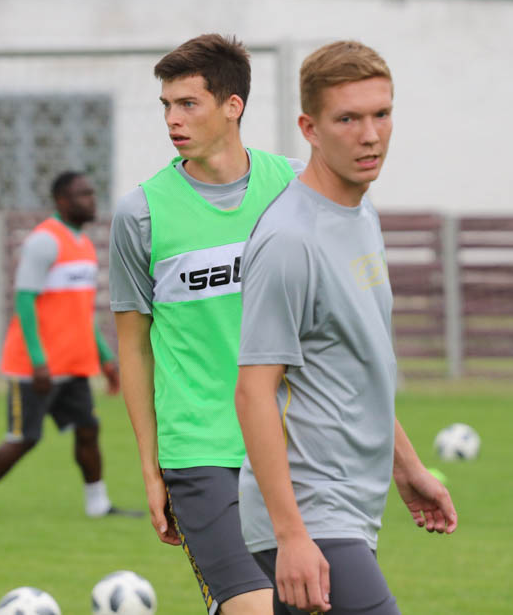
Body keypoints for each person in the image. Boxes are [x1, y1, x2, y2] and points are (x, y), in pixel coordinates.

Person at [234, 41, 458, 615]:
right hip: (310, 509)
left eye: (381, 114)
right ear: (309, 128)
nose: (370, 135)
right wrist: (290, 535)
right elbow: (254, 392)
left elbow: (357, 361)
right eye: (348, 119)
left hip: (352, 508)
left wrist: (407, 466)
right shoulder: (290, 240)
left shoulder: (361, 213)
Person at [110, 34, 302, 615]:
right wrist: (151, 468)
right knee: (254, 607)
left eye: (188, 103)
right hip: (198, 449)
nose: (172, 119)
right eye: (166, 105)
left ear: (232, 105)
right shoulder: (141, 213)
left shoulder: (295, 190)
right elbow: (133, 349)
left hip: (296, 445)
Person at [0, 171, 136, 518]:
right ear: (62, 201)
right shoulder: (44, 241)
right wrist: (38, 361)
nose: (92, 200)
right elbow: (24, 302)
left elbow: (82, 312)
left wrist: (106, 358)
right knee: (24, 437)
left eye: (92, 193)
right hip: (35, 367)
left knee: (88, 429)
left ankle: (98, 505)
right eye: (83, 194)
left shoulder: (84, 245)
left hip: (73, 365)